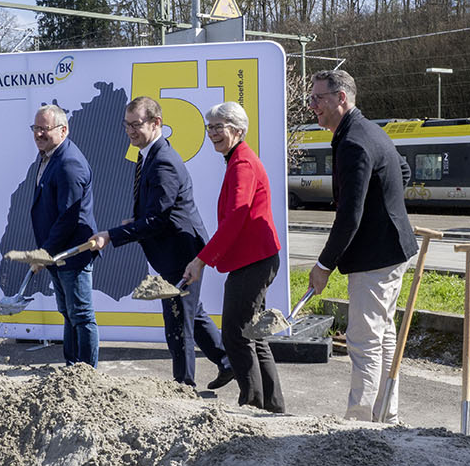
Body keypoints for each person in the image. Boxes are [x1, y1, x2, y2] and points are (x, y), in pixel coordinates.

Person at [88, 96, 233, 390]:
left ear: (157, 123)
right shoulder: (149, 155)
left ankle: (184, 388)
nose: (130, 131)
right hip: (174, 250)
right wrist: (135, 220)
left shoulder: (163, 161)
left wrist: (111, 235)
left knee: (179, 322)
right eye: (127, 125)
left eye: (136, 124)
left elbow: (159, 219)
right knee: (194, 313)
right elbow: (156, 211)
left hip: (182, 253)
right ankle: (228, 363)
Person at [306, 69, 418, 423]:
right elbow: (403, 173)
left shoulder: (354, 142)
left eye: (318, 99)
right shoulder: (370, 130)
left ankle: (359, 423)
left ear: (341, 98)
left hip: (375, 257)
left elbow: (349, 216)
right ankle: (386, 415)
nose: (313, 107)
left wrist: (323, 265)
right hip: (391, 250)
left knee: (363, 340)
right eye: (311, 99)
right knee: (383, 335)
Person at [183, 101, 284, 413]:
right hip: (256, 258)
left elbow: (237, 216)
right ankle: (272, 406)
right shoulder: (238, 159)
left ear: (238, 131)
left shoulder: (241, 164)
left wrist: (201, 260)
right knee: (253, 334)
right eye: (209, 127)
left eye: (219, 127)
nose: (212, 133)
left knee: (236, 334)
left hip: (254, 260)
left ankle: (252, 404)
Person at [30, 104, 99, 367]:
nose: (38, 134)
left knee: (81, 315)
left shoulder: (69, 163)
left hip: (73, 253)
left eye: (44, 129)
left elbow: (68, 218)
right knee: (69, 314)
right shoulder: (50, 155)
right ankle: (73, 366)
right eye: (35, 128)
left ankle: (87, 375)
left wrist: (44, 253)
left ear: (63, 129)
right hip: (58, 254)